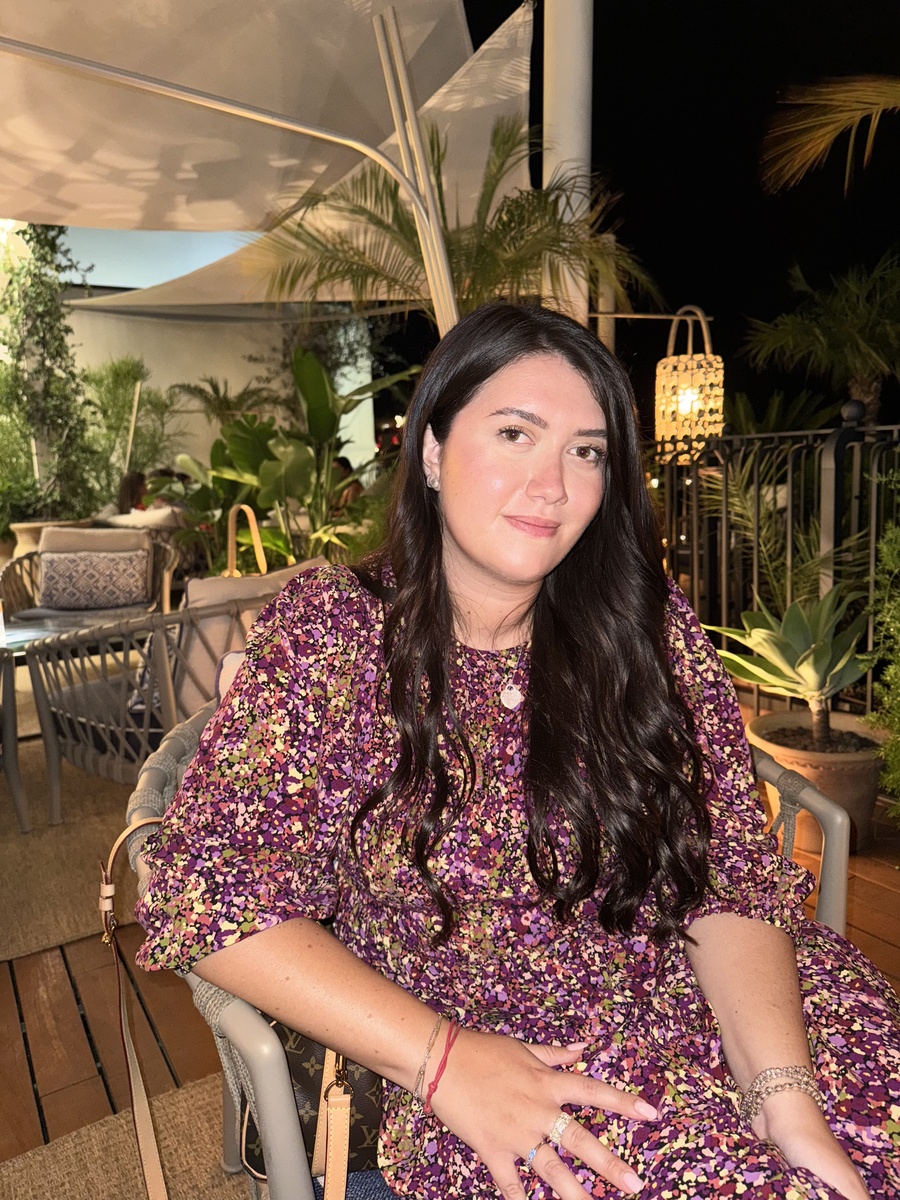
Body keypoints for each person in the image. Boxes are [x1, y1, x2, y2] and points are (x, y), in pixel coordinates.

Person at [136, 302, 900, 1200]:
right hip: (505, 1071)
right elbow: (205, 890)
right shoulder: (334, 638)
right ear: (431, 451)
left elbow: (724, 871)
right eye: (514, 433)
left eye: (587, 452)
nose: (553, 487)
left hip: (742, 1001)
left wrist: (783, 1093)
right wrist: (443, 1060)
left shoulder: (644, 627)